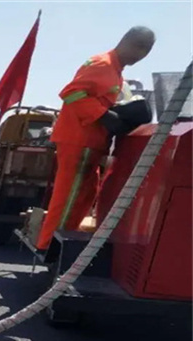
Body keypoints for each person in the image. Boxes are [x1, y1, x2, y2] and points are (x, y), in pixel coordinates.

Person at [36, 26, 155, 252]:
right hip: (79, 138)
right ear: (132, 44)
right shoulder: (103, 64)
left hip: (92, 141)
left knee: (86, 194)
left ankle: (67, 236)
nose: (142, 56)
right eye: (143, 49)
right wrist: (102, 115)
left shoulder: (116, 72)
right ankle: (50, 245)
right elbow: (72, 92)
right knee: (69, 195)